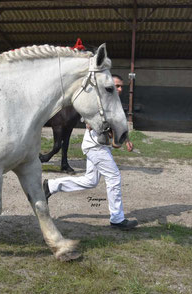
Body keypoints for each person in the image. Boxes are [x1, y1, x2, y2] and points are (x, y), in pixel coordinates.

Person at [43, 74, 138, 230]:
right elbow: (87, 123)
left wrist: (125, 139)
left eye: (121, 86)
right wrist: (106, 128)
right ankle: (117, 219)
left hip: (99, 146)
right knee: (114, 177)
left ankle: (51, 186)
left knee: (90, 180)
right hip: (95, 146)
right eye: (117, 85)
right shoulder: (97, 101)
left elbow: (117, 123)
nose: (120, 89)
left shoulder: (113, 101)